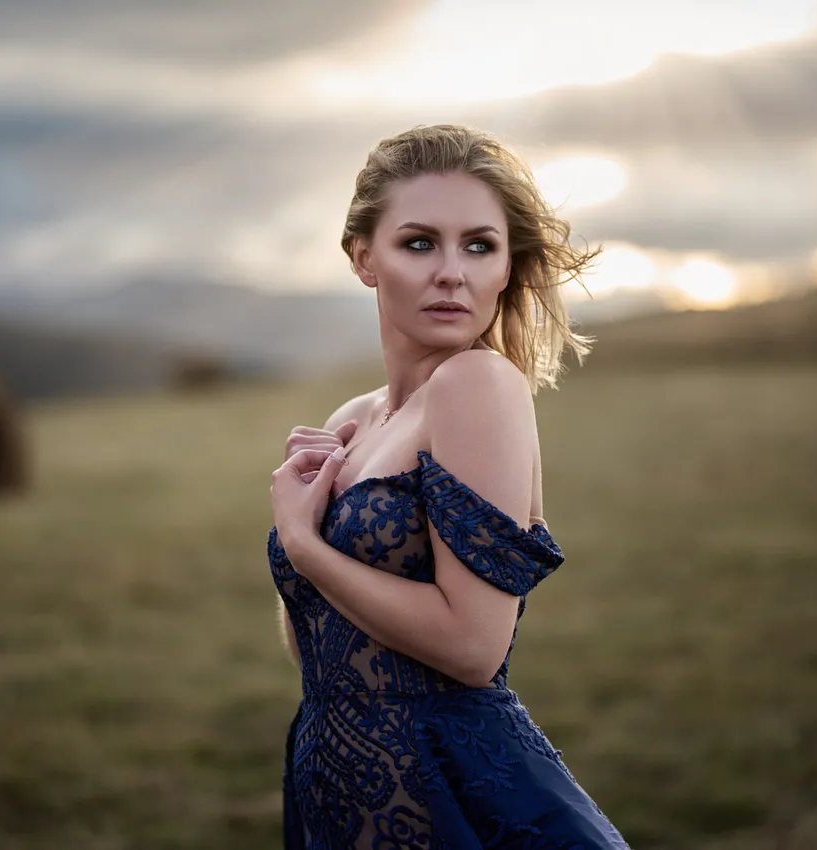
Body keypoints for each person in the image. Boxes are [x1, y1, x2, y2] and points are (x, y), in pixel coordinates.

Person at [268, 124, 630, 849]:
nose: (451, 272)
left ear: (505, 265)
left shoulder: (478, 385)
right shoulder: (352, 420)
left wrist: (308, 548)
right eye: (419, 242)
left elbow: (473, 648)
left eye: (478, 245)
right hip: (336, 795)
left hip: (454, 800)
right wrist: (307, 515)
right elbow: (318, 644)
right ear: (363, 258)